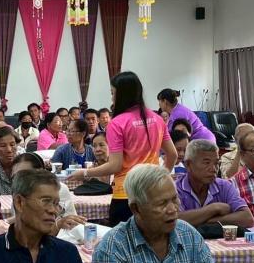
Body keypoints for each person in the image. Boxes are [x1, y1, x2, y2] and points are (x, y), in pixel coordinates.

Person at [91, 164, 224, 263]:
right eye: (162, 204)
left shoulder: (189, 235)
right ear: (136, 209)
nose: (172, 209)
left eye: (174, 199)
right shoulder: (113, 247)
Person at [68, 71, 177, 226]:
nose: (112, 98)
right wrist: (160, 177)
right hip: (152, 192)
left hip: (126, 194)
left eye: (113, 93)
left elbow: (115, 165)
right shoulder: (157, 119)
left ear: (122, 95)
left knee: (124, 240)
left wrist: (85, 173)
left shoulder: (117, 123)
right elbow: (172, 154)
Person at [177, 139, 254, 229]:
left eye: (216, 163)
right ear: (188, 164)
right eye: (206, 163)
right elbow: (174, 222)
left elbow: (247, 219)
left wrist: (203, 221)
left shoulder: (224, 186)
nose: (213, 169)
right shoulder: (176, 189)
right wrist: (213, 208)